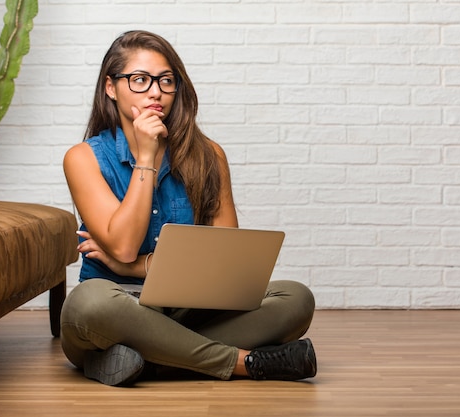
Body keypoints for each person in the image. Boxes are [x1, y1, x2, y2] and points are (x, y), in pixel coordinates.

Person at [60, 30, 317, 387]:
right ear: (110, 87)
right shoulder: (83, 158)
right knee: (88, 305)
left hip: (189, 311)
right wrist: (146, 158)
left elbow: (227, 265)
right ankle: (242, 362)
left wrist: (135, 266)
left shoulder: (209, 155)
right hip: (117, 309)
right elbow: (122, 243)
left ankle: (148, 359)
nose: (155, 92)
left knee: (295, 298)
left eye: (166, 81)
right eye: (139, 80)